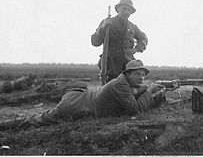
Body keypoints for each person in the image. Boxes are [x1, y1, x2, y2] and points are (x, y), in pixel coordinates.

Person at [0, 60, 173, 130]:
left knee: (36, 118)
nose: (141, 77)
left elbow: (136, 91)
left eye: (143, 75)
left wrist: (157, 86)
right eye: (137, 74)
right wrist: (150, 91)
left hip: (77, 99)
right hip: (73, 107)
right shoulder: (121, 84)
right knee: (35, 121)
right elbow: (135, 109)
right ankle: (4, 125)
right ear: (128, 74)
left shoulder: (123, 82)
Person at [91, 0, 148, 82]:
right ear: (118, 9)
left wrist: (135, 50)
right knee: (111, 91)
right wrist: (102, 28)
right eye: (124, 9)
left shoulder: (132, 27)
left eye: (129, 10)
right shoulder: (107, 22)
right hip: (110, 66)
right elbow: (95, 42)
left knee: (127, 90)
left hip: (128, 66)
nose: (126, 12)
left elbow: (144, 38)